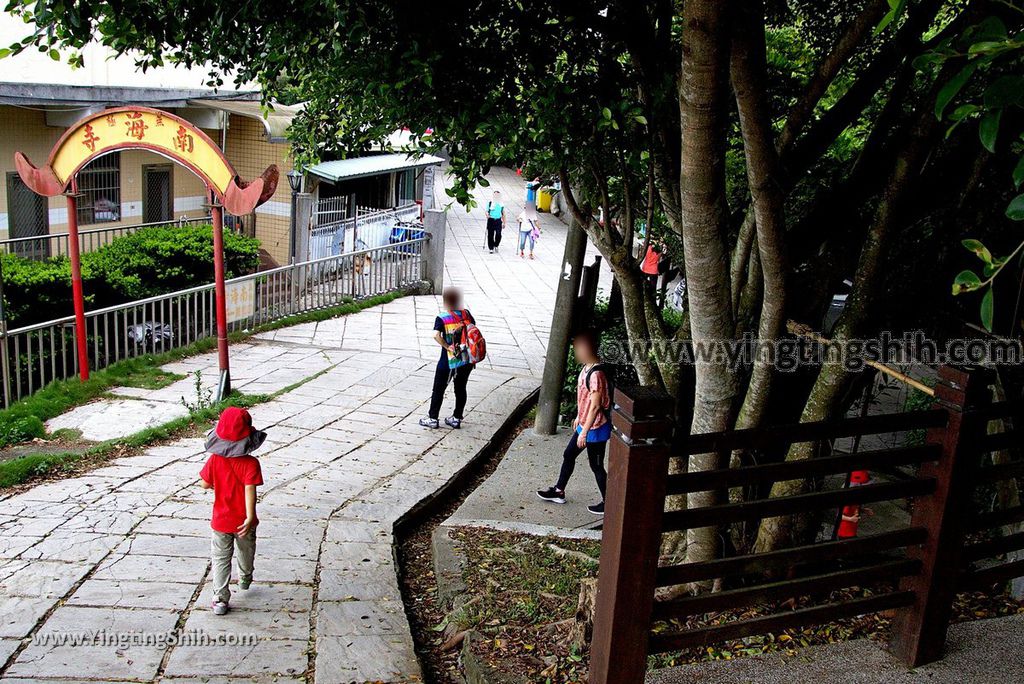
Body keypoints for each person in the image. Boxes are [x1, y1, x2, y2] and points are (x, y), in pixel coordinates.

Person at [199, 407, 268, 615]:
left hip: (220, 521)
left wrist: (216, 484)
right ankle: (245, 578)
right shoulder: (251, 464)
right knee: (246, 551)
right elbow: (250, 491)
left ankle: (220, 599)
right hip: (243, 521)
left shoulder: (214, 460)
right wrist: (250, 516)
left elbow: (204, 483)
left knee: (220, 558)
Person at [537, 331, 611, 515]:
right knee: (569, 454)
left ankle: (609, 502)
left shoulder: (596, 374)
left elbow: (595, 406)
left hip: (595, 428)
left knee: (596, 465)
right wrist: (579, 416)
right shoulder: (587, 367)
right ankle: (558, 491)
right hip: (585, 424)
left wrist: (584, 432)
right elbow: (584, 398)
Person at [420, 287, 474, 429]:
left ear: (446, 301)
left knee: (439, 389)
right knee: (461, 389)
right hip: (466, 360)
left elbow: (436, 335)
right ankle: (456, 418)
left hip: (448, 361)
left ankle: (432, 418)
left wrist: (447, 346)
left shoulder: (442, 317)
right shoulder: (467, 314)